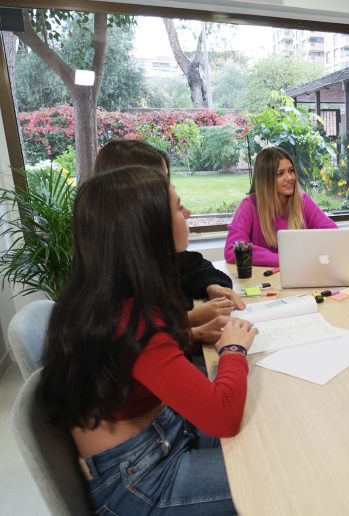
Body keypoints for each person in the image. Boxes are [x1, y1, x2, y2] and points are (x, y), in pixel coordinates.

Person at [37, 165, 258, 514]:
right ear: (147, 230)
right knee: (273, 473)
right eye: (178, 207)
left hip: (155, 441)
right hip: (141, 481)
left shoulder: (101, 297)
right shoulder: (134, 320)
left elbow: (136, 360)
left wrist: (190, 335)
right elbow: (222, 417)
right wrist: (234, 349)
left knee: (270, 437)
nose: (187, 214)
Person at [94, 139, 245, 344]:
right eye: (159, 180)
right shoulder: (118, 283)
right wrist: (189, 321)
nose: (187, 213)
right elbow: (142, 340)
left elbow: (192, 266)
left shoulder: (143, 257)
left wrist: (211, 287)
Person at [225, 146, 337, 266]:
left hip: (299, 273)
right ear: (266, 179)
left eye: (291, 171)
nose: (289, 178)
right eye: (280, 174)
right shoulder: (249, 205)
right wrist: (282, 259)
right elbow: (233, 250)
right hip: (265, 279)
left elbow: (333, 234)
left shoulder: (302, 200)